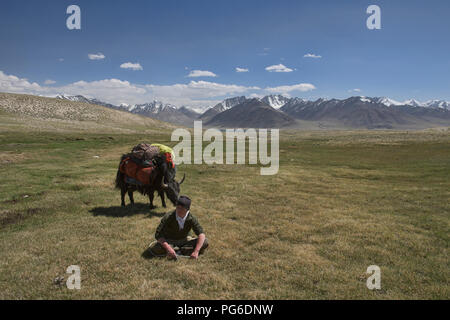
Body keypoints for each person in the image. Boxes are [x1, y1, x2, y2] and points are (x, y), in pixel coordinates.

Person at [149, 195, 208, 259]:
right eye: (177, 207)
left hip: (185, 240)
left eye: (182, 208)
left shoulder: (191, 218)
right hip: (170, 241)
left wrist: (196, 251)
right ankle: (180, 250)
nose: (179, 210)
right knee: (156, 248)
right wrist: (168, 247)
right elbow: (158, 234)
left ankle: (179, 250)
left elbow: (201, 234)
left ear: (187, 209)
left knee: (205, 242)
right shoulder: (168, 216)